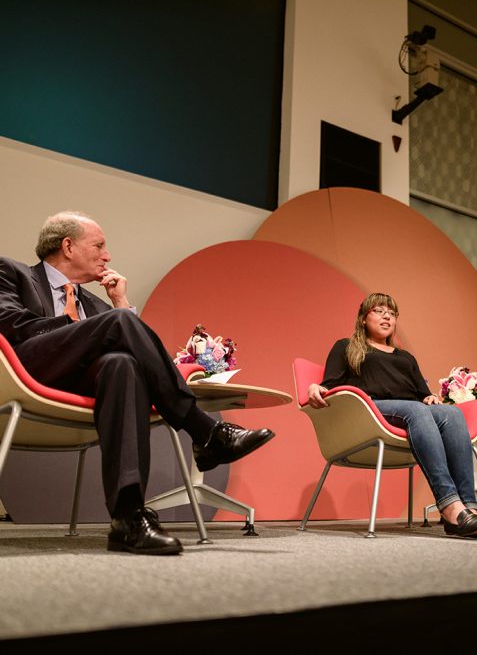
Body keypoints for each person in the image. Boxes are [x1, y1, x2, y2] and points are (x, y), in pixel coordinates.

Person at [0, 211, 275, 554]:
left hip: (83, 386)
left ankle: (128, 518)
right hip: (28, 369)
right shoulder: (11, 271)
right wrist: (83, 327)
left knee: (122, 364)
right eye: (99, 245)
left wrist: (120, 304)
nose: (108, 255)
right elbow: (12, 326)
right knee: (117, 326)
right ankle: (203, 430)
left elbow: (129, 344)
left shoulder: (97, 304)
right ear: (67, 246)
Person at [307, 292, 477, 539]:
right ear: (364, 318)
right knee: (416, 410)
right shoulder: (346, 347)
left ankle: (468, 508)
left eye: (392, 313)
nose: (387, 316)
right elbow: (329, 385)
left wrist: (430, 398)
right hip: (371, 411)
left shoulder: (405, 357)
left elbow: (422, 395)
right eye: (379, 310)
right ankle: (449, 505)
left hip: (410, 411)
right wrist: (314, 387)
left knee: (451, 413)